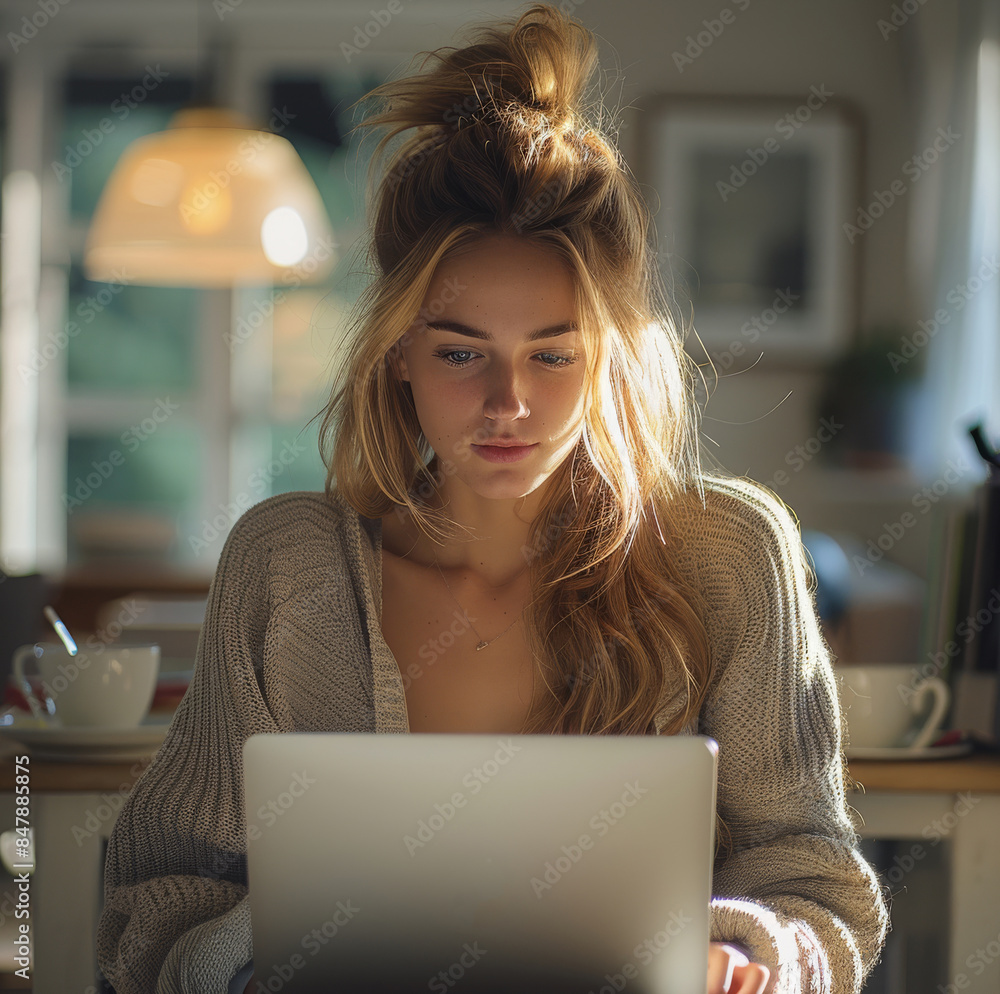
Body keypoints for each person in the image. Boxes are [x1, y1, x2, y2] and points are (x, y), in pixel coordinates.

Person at [95, 5, 890, 993]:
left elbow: (813, 881)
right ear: (397, 356)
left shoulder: (729, 553)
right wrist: (239, 969)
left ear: (607, 360)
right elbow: (155, 891)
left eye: (552, 354)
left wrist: (749, 959)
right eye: (461, 350)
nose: (506, 402)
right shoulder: (287, 565)